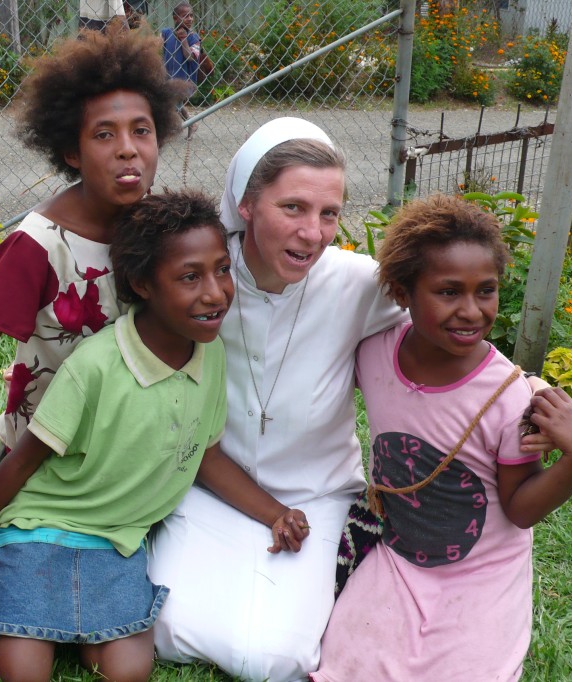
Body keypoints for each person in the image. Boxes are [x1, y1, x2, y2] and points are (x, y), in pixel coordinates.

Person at [0, 24, 182, 647]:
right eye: (104, 135)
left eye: (141, 131)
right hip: (38, 463)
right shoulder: (39, 244)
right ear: (70, 151)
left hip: (129, 464)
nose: (128, 150)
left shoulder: (163, 229)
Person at [0, 190, 309, 682]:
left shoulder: (212, 354)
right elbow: (21, 462)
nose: (215, 292)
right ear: (143, 284)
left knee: (126, 672)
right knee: (18, 672)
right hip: (40, 529)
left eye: (221, 269)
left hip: (117, 547)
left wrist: (276, 512)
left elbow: (205, 457)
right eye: (189, 276)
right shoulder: (96, 366)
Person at [147, 118, 409, 681]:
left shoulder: (357, 282)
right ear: (245, 204)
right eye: (293, 208)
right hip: (208, 488)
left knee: (277, 660)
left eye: (329, 213)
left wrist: (527, 387)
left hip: (314, 498)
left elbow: (447, 328)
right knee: (163, 626)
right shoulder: (202, 282)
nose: (314, 233)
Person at [312, 195, 572, 681]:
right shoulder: (375, 352)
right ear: (402, 293)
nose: (471, 311)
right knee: (345, 664)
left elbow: (521, 509)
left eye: (485, 291)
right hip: (400, 557)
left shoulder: (509, 399)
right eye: (448, 292)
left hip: (481, 573)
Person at [161, 2, 201, 136]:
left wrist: (183, 39)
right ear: (175, 18)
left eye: (191, 15)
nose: (190, 19)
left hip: (184, 79)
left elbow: (190, 56)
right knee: (174, 103)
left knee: (172, 102)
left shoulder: (193, 38)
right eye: (185, 16)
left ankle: (183, 125)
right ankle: (191, 123)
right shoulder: (167, 33)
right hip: (169, 75)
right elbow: (158, 44)